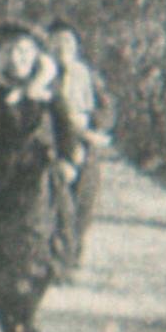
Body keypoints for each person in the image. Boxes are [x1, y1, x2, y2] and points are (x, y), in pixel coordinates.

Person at [0, 24, 85, 332]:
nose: (17, 58)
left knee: (34, 251)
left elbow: (67, 130)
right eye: (9, 50)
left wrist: (68, 161)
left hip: (36, 179)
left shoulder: (48, 88)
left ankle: (27, 319)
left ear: (36, 55)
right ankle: (8, 320)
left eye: (24, 51)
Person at [47, 25, 114, 264]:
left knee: (84, 204)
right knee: (58, 204)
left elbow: (107, 110)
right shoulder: (42, 73)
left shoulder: (86, 75)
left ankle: (73, 255)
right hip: (54, 145)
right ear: (48, 46)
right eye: (57, 43)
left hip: (84, 144)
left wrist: (93, 123)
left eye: (68, 43)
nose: (62, 48)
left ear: (76, 48)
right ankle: (58, 257)